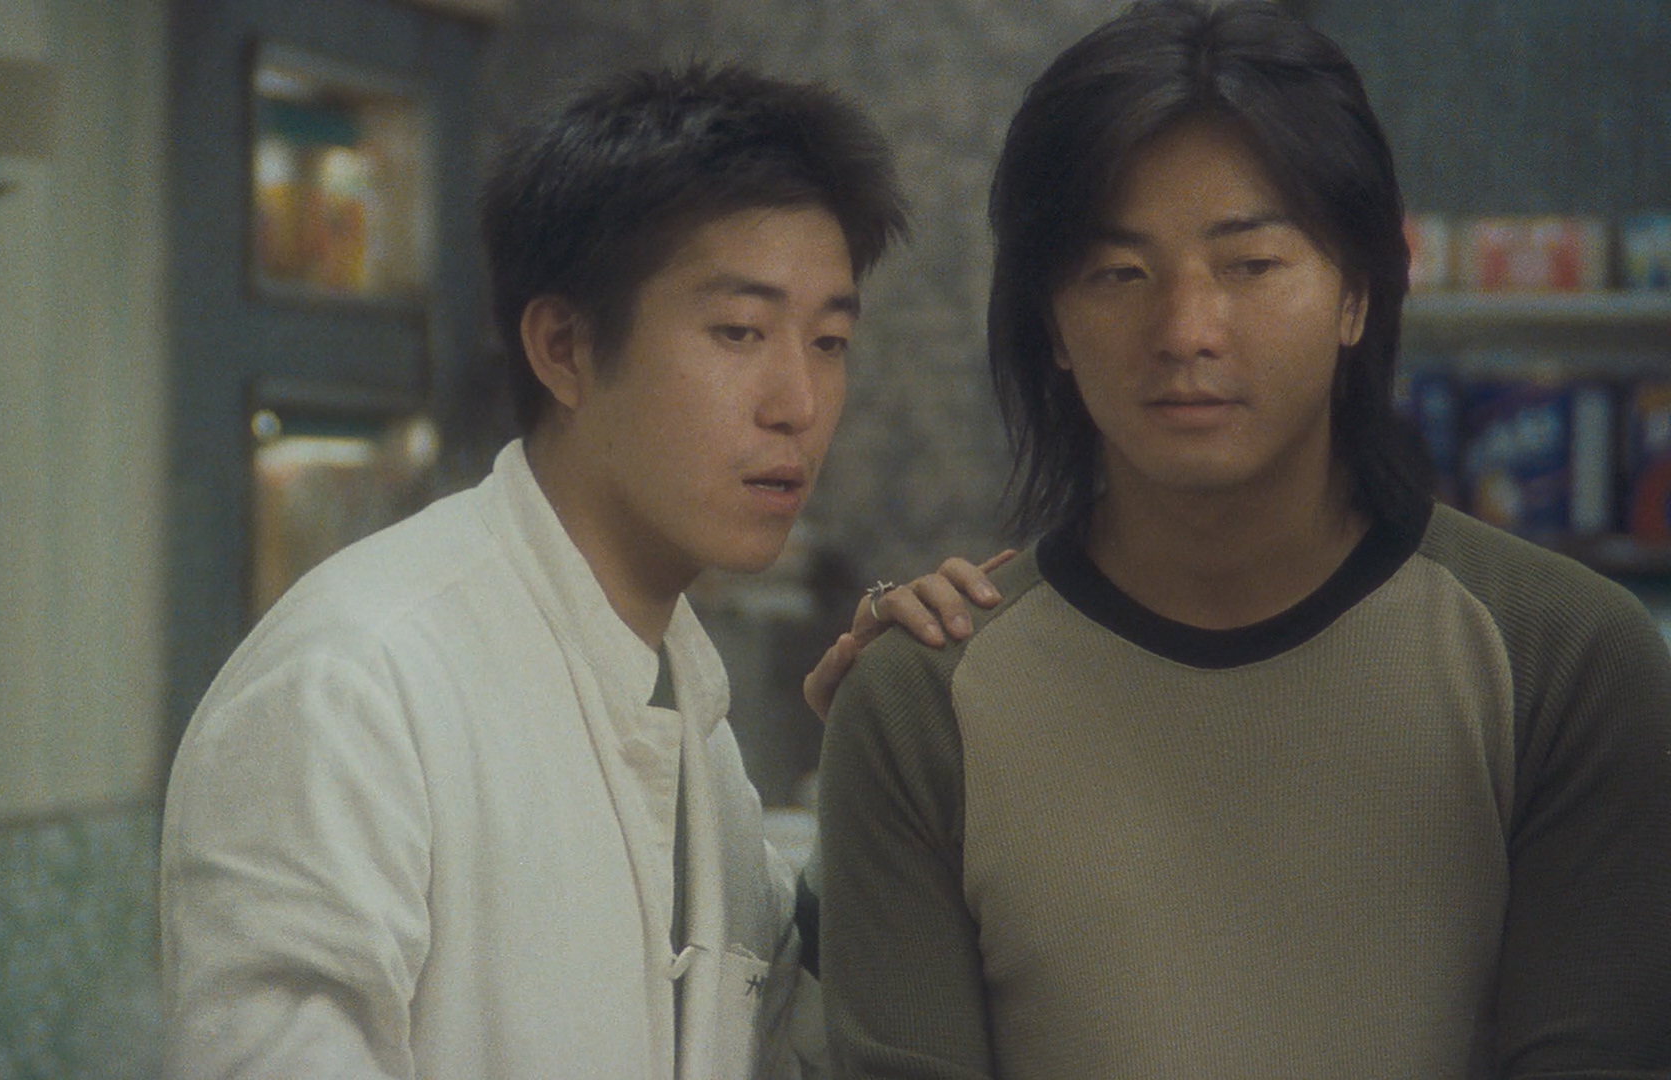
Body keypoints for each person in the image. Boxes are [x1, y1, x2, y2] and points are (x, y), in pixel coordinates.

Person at [816, 2, 1671, 1077]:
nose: (1186, 330)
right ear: (1052, 325)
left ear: (1358, 294)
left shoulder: (1563, 659)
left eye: (1252, 264)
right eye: (1118, 273)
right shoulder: (922, 705)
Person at [159, 64, 937, 1078]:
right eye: (739, 332)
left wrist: (884, 765)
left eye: (829, 341)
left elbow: (789, 1051)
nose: (798, 401)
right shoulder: (356, 682)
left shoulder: (687, 712)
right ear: (564, 347)